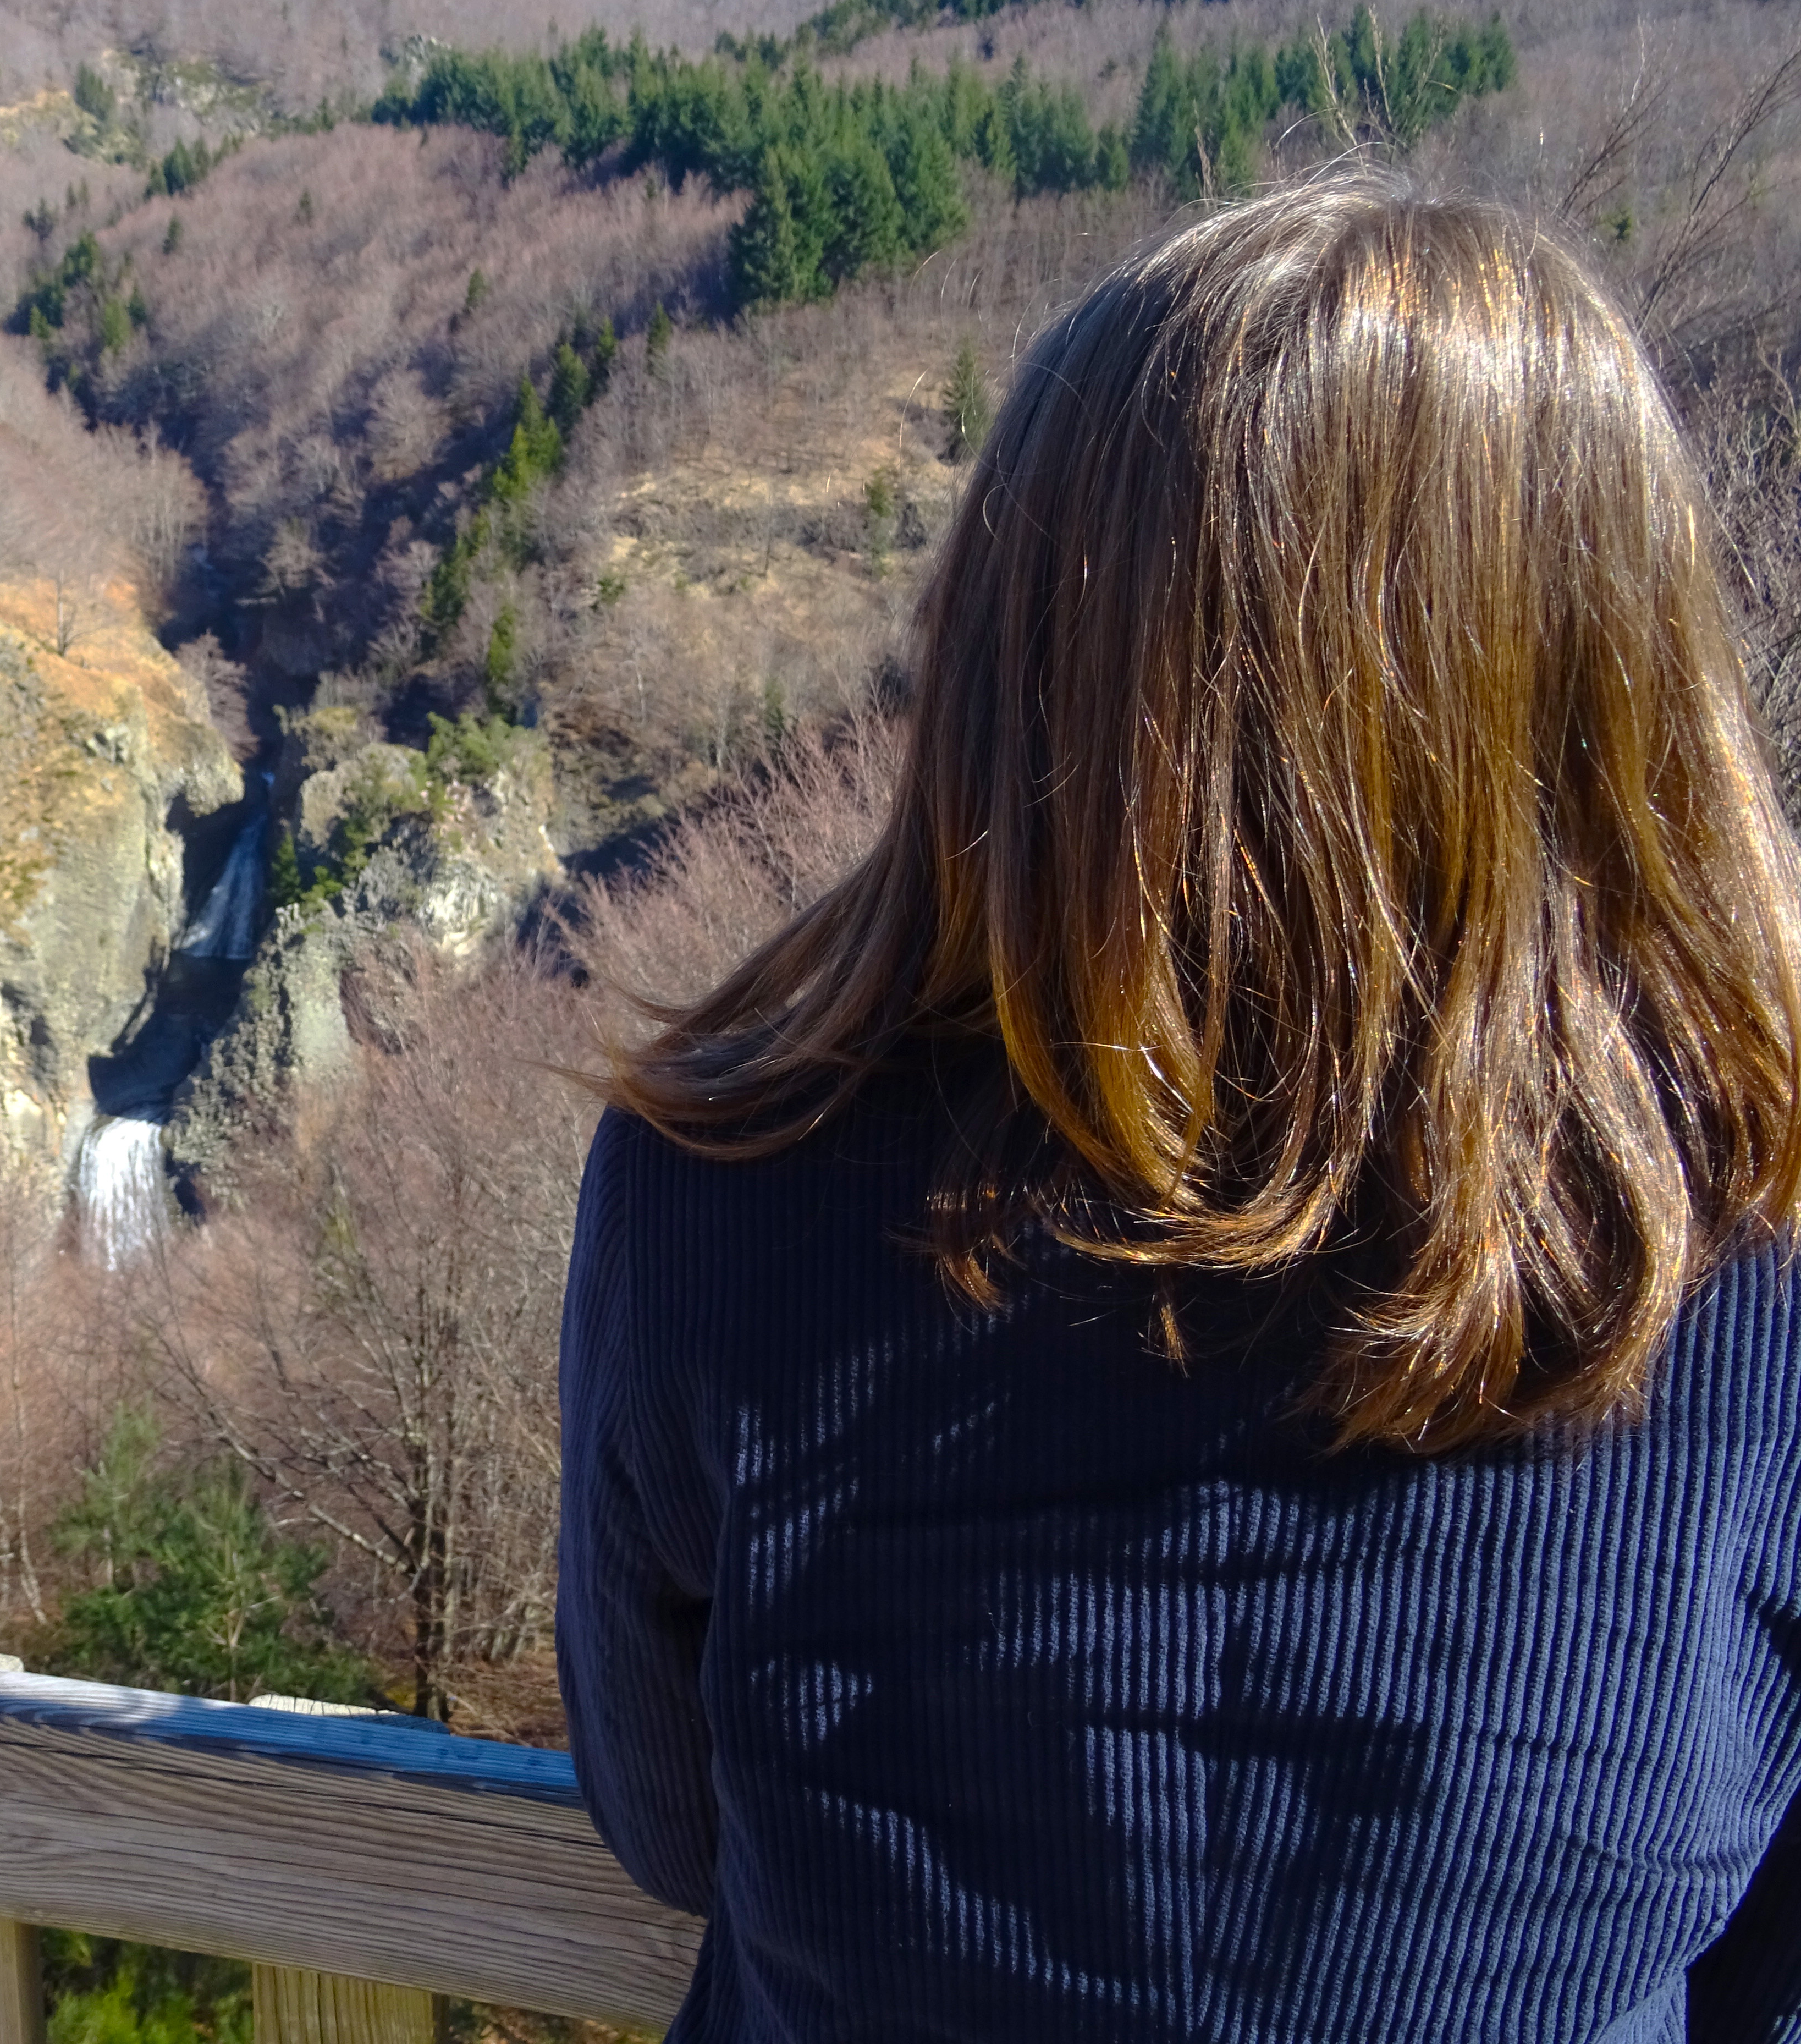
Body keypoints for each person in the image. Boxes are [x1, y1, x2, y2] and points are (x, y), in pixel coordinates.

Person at [557, 173, 1801, 2040]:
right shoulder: (1751, 1241)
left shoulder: (726, 1182)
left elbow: (669, 1818)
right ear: (1618, 681)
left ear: (1018, 656)